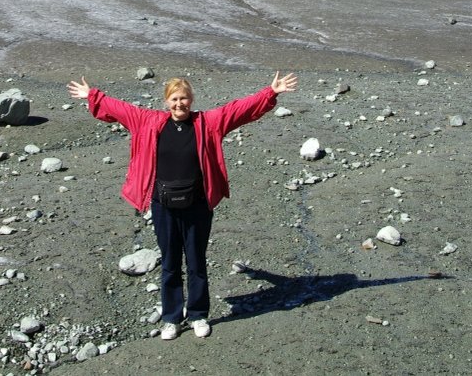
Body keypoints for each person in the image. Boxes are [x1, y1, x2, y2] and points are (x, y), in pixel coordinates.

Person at [66, 71, 298, 340]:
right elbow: (120, 109)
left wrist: (271, 92)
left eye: (184, 99)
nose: (180, 104)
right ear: (166, 102)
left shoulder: (207, 123)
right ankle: (171, 319)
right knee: (170, 263)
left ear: (191, 100)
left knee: (197, 262)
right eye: (175, 99)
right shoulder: (148, 122)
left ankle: (198, 315)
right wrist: (93, 95)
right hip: (163, 205)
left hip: (198, 205)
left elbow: (239, 110)